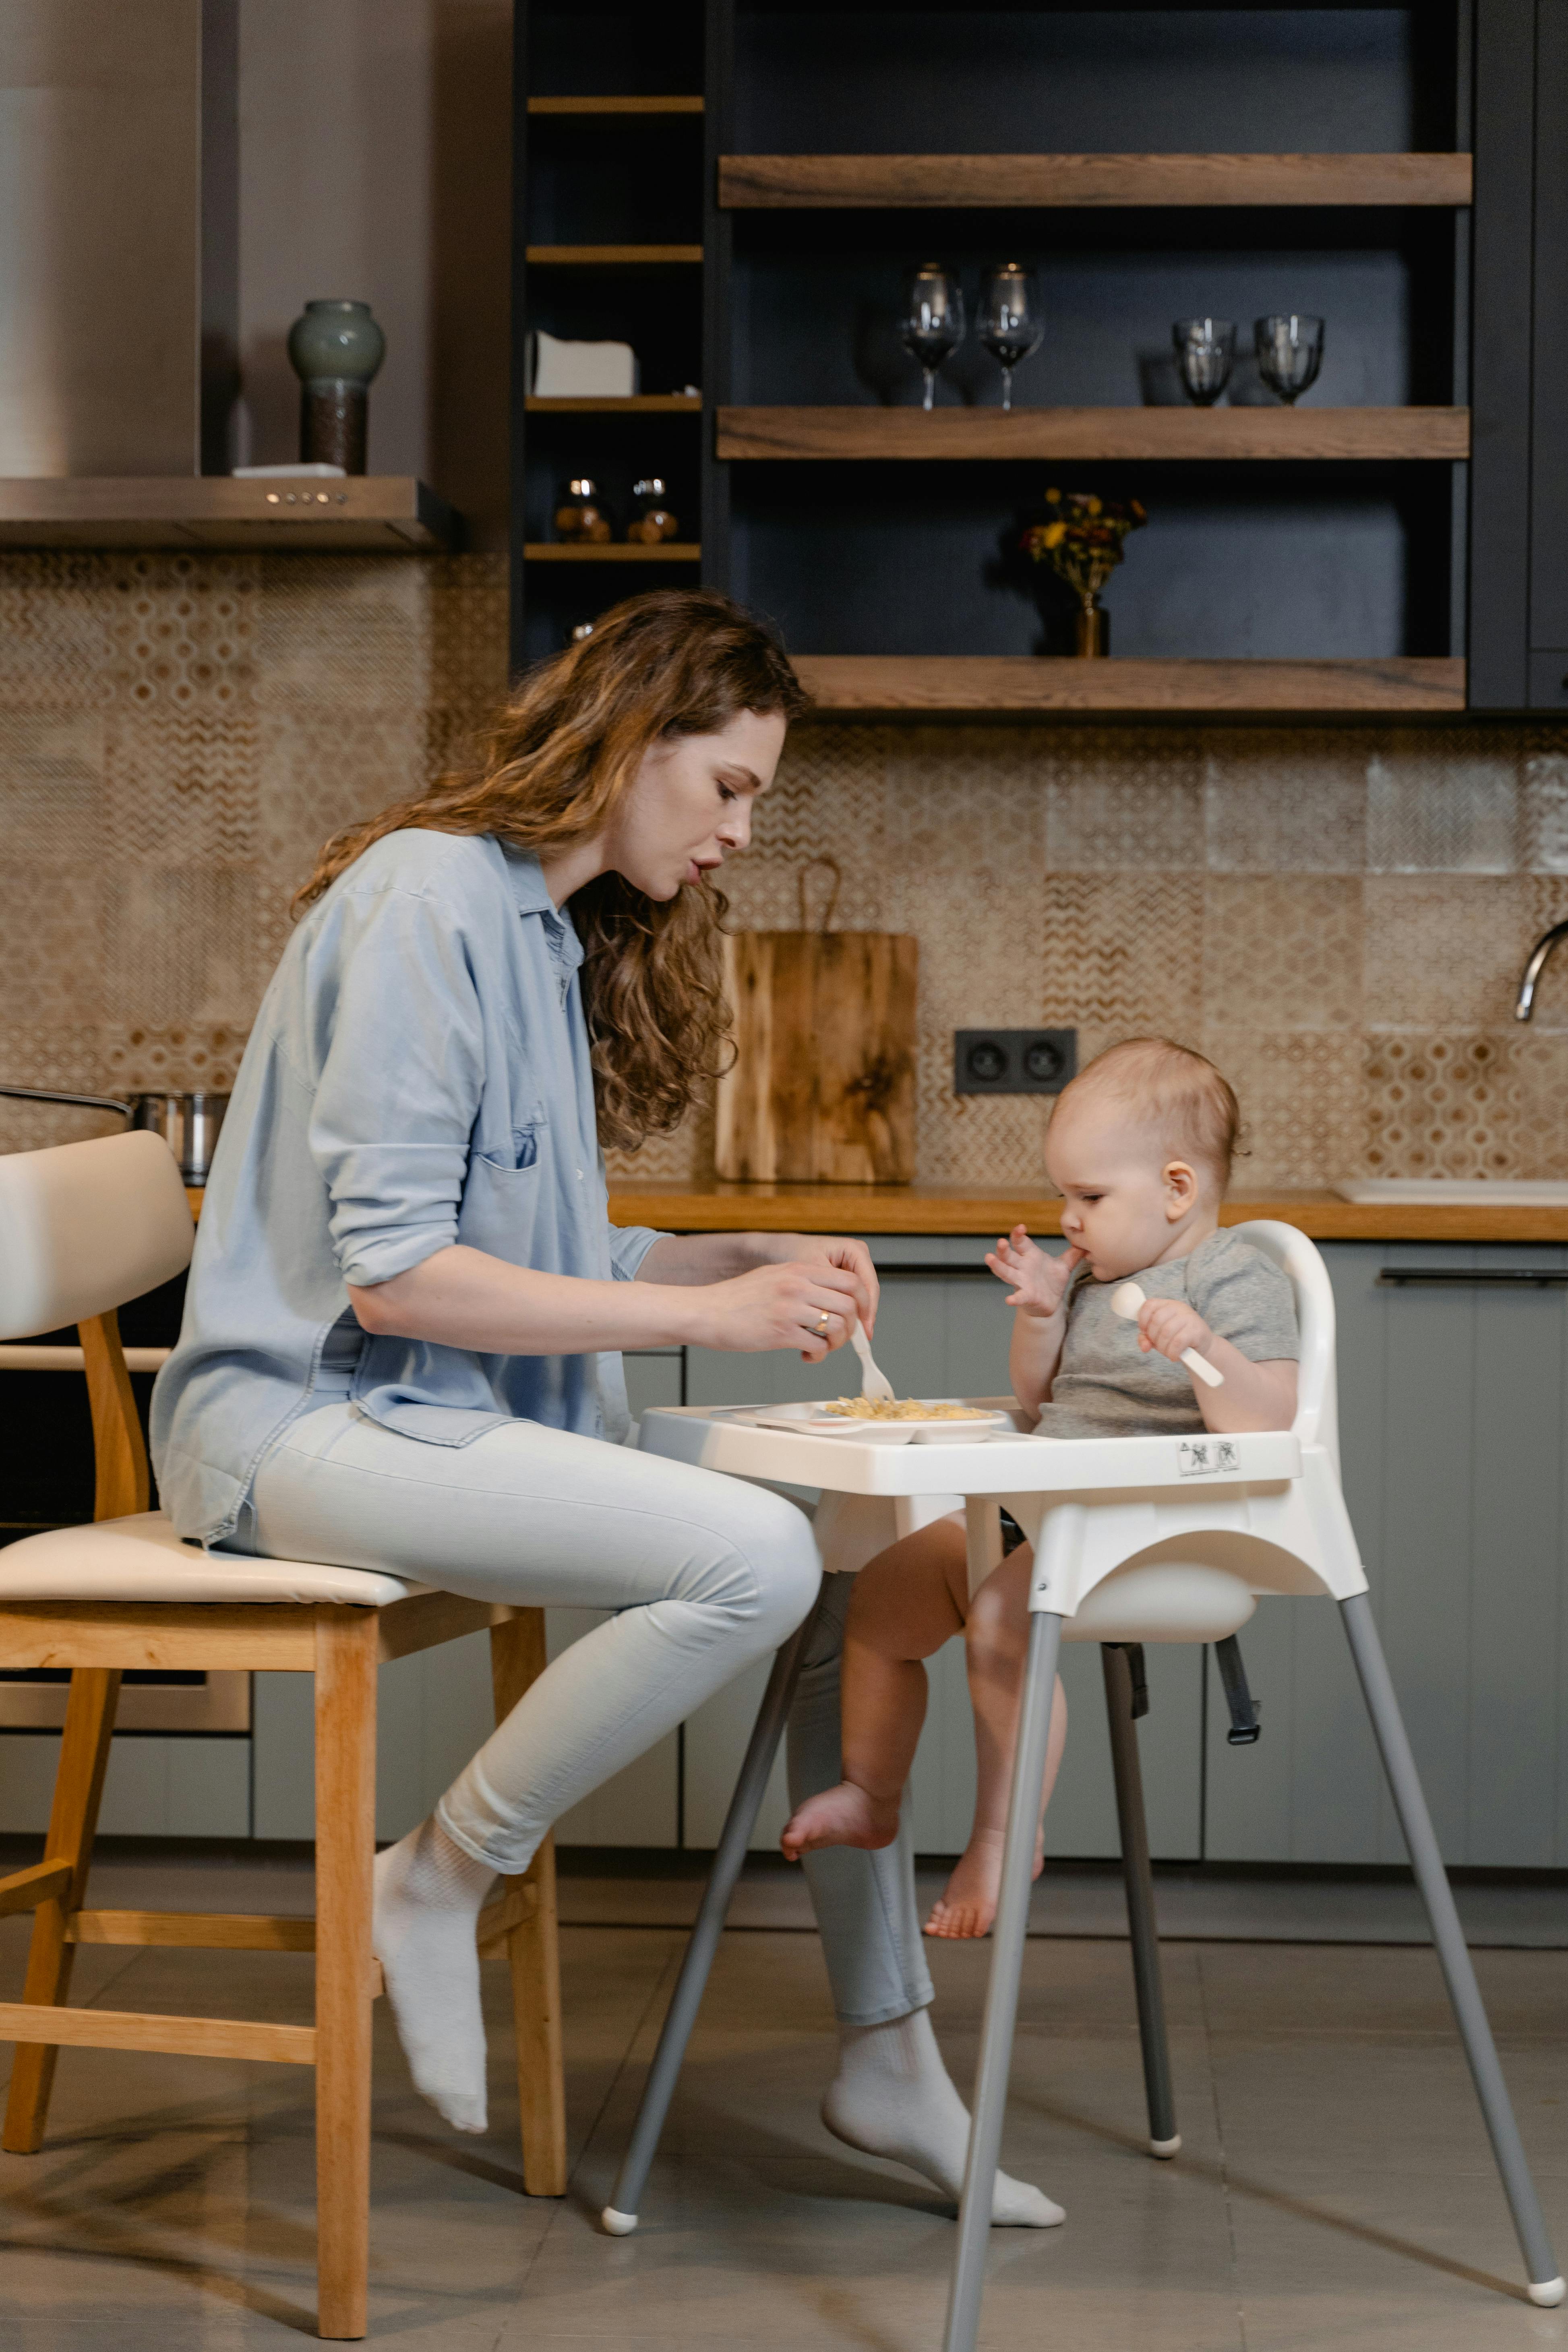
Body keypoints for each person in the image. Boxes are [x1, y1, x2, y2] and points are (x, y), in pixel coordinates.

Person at [781, 1037, 1299, 1942]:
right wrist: (1045, 1314)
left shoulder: (1230, 1276)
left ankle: (1002, 1834)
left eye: (1090, 1196)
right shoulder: (1101, 1280)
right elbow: (1037, 1399)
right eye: (1065, 1194)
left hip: (1154, 1523)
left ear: (1177, 1188)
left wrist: (1205, 1348)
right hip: (1050, 1510)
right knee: (884, 1594)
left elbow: (1268, 1422)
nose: (1068, 1217)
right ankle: (872, 1790)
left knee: (998, 1615)